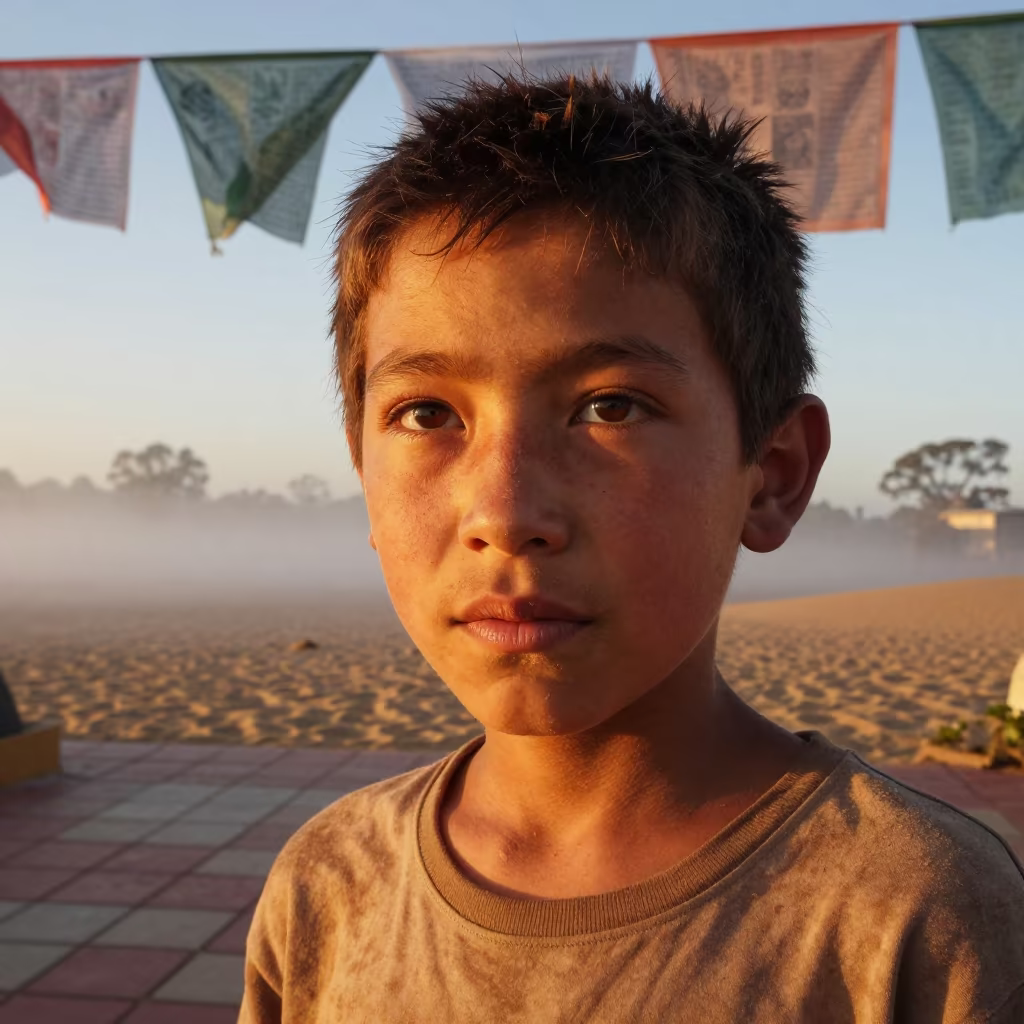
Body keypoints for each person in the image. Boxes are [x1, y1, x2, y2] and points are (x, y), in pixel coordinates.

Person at [239, 75, 1024, 1022]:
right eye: (427, 413)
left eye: (610, 406)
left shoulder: (915, 913)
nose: (506, 510)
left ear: (772, 474)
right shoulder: (326, 884)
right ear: (364, 474)